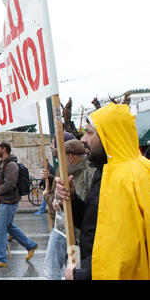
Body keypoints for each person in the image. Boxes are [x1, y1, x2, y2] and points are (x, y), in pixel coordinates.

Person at [56, 103, 150, 280]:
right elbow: (94, 225)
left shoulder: (126, 178)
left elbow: (124, 249)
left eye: (90, 132)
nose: (83, 139)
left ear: (109, 135)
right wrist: (72, 199)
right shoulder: (106, 171)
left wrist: (81, 275)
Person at [43, 139, 95, 280]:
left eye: (61, 158)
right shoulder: (70, 175)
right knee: (57, 267)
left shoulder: (88, 174)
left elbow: (86, 210)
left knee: (73, 269)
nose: (59, 163)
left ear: (71, 157)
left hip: (76, 236)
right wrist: (59, 202)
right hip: (66, 231)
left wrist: (66, 201)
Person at [0, 142, 38, 268]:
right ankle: (30, 245)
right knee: (8, 226)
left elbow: (9, 184)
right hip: (5, 200)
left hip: (9, 201)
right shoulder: (2, 163)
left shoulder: (11, 165)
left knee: (0, 229)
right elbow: (1, 179)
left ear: (4, 149)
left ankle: (1, 258)